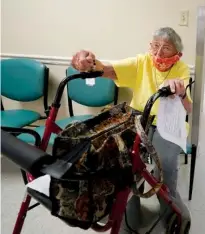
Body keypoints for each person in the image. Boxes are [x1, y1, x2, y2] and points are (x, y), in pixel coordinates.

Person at [70, 27, 191, 233]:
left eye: (166, 48)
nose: (159, 52)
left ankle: (172, 218)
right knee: (125, 163)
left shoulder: (181, 68)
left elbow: (188, 106)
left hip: (169, 121)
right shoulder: (142, 61)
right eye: (155, 46)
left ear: (177, 53)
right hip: (139, 117)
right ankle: (129, 217)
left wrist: (179, 92)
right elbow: (108, 69)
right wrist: (87, 62)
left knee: (166, 166)